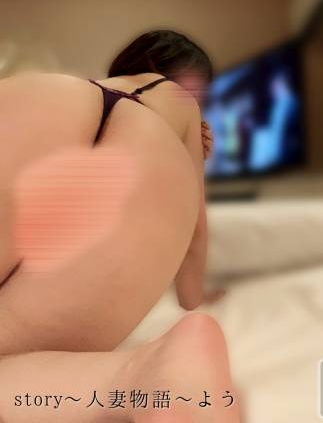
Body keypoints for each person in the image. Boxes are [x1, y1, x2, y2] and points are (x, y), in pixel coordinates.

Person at [0, 29, 238, 422]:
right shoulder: (183, 110)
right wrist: (192, 299)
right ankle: (134, 374)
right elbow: (196, 233)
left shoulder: (89, 83)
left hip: (47, 100)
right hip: (150, 154)